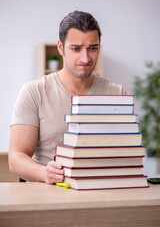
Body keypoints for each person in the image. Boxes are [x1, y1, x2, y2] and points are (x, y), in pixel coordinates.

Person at [9, 10, 128, 184]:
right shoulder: (34, 92)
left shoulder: (118, 94)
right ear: (60, 47)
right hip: (48, 194)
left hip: (100, 192)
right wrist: (44, 173)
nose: (85, 58)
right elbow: (16, 158)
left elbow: (125, 154)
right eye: (76, 49)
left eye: (92, 48)